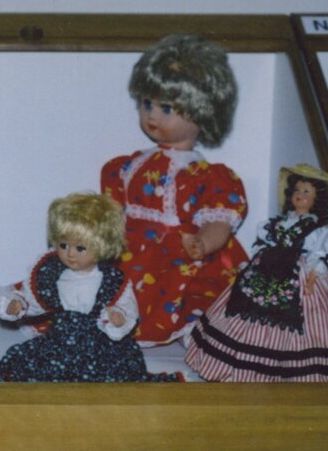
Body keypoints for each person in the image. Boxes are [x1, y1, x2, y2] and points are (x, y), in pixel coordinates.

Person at [101, 33, 248, 344]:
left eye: (166, 108)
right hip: (131, 254)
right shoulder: (127, 166)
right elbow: (112, 209)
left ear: (202, 112)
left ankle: (193, 333)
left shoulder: (209, 177)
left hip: (178, 254)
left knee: (190, 297)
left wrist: (204, 243)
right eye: (147, 103)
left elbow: (219, 221)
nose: (152, 115)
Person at [0, 192, 178, 382]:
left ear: (103, 246)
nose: (70, 254)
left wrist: (118, 317)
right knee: (31, 367)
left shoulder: (112, 279)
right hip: (60, 343)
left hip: (102, 347)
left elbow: (126, 307)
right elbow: (35, 301)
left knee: (115, 375)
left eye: (80, 248)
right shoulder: (52, 273)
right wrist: (18, 304)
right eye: (63, 245)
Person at [186, 165, 328, 381]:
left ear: (317, 199)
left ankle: (285, 370)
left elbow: (317, 254)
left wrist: (313, 274)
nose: (300, 195)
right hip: (264, 271)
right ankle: (232, 365)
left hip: (296, 275)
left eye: (307, 191)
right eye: (297, 190)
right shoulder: (277, 223)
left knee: (298, 319)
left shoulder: (317, 230)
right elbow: (263, 245)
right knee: (242, 308)